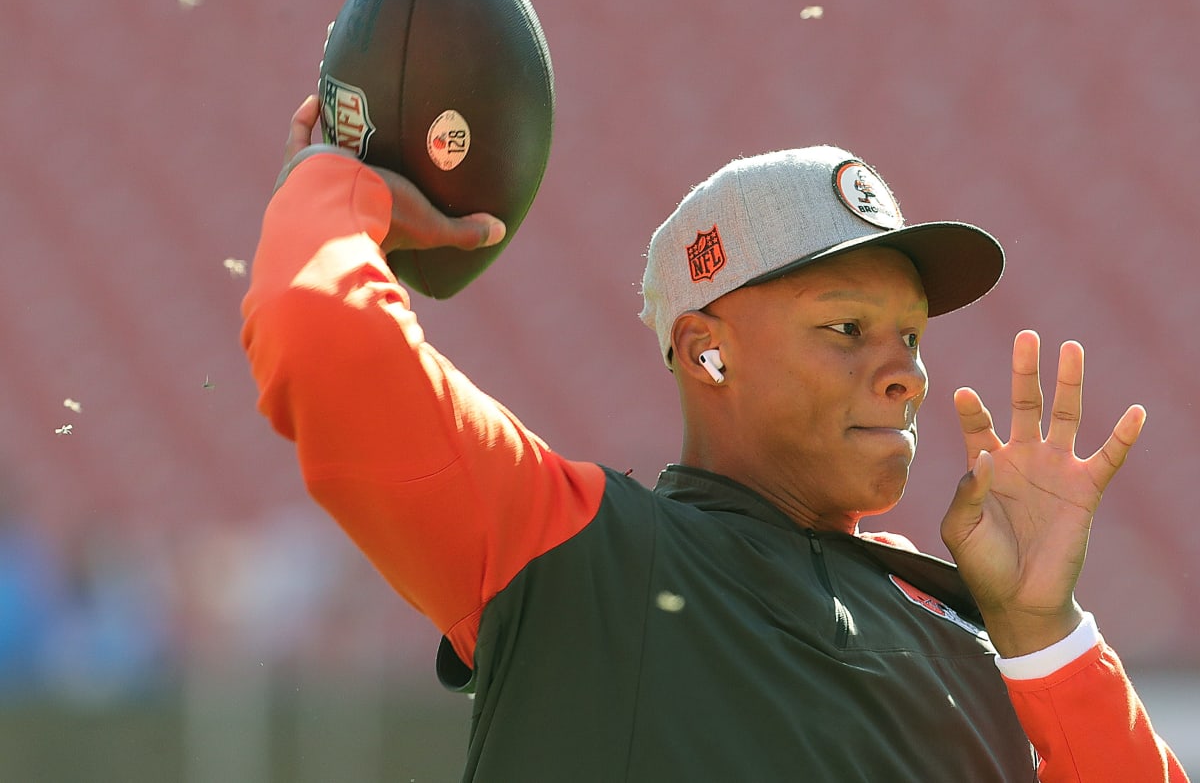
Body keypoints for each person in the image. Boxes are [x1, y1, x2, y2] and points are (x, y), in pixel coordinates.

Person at [242, 94, 1188, 781]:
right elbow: (323, 339)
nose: (905, 370)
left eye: (911, 335)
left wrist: (1045, 638)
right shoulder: (585, 556)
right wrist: (336, 184)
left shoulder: (976, 635)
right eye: (846, 329)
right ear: (706, 352)